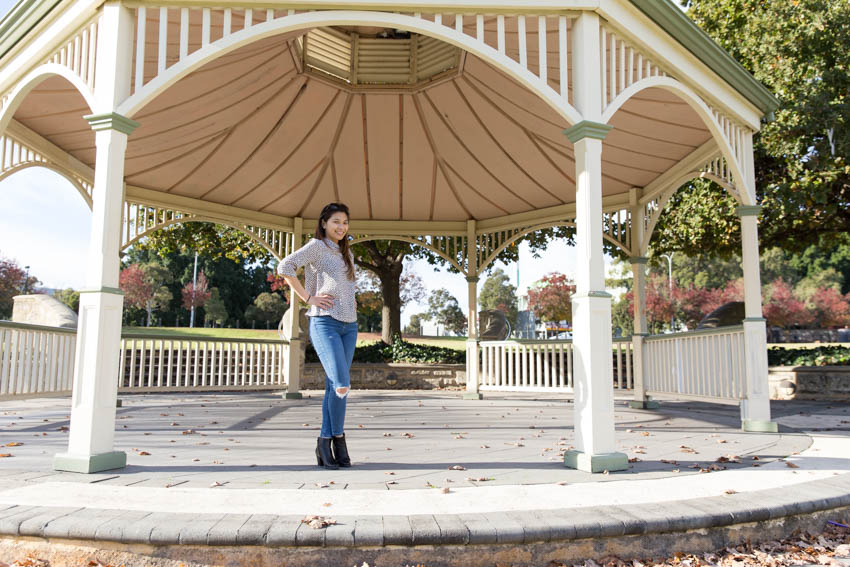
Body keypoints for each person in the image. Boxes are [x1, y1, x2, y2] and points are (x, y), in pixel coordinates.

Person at [277, 203, 357, 470]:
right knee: (342, 384)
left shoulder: (346, 252)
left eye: (345, 222)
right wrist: (308, 297)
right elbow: (285, 266)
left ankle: (330, 443)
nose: (341, 227)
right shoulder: (316, 246)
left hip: (350, 326)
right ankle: (333, 439)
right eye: (336, 221)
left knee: (335, 389)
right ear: (324, 223)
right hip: (325, 323)